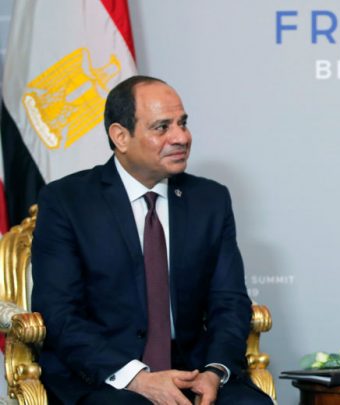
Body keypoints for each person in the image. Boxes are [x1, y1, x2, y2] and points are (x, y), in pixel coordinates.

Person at [31, 76, 273, 405]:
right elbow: (59, 313)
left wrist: (214, 371)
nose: (181, 137)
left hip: (193, 370)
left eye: (182, 123)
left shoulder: (210, 200)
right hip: (106, 375)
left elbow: (229, 302)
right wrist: (137, 378)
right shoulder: (67, 201)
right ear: (120, 136)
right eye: (162, 127)